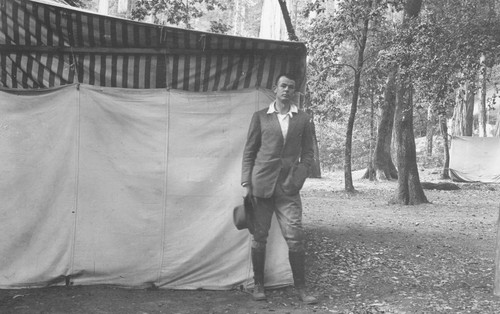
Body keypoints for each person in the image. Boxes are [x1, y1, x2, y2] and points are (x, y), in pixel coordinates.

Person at [241, 73, 317, 304]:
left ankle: (302, 289)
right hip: (261, 186)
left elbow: (308, 154)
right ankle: (259, 286)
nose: (287, 90)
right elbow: (249, 152)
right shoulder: (261, 117)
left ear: (295, 91)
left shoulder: (303, 118)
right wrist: (246, 183)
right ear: (275, 88)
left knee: (295, 237)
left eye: (291, 87)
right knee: (259, 236)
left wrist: (297, 179)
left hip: (288, 188)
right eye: (283, 85)